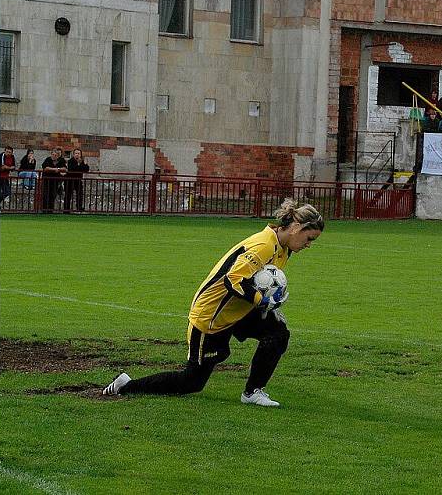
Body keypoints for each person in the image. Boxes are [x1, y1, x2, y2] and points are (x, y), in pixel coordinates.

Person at [102, 199, 325, 407]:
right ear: (296, 227)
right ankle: (126, 385)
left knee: (277, 334)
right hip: (211, 316)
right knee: (192, 382)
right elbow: (233, 280)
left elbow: (255, 282)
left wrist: (267, 305)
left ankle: (253, 392)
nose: (309, 245)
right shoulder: (264, 245)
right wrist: (263, 300)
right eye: (309, 239)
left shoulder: (283, 248)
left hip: (236, 310)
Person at [41, 148, 67, 212]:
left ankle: (50, 210)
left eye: (55, 155)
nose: (53, 156)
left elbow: (65, 169)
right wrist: (55, 169)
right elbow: (45, 168)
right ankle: (44, 210)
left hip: (55, 181)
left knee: (53, 195)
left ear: (57, 156)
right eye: (52, 154)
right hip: (46, 180)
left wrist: (58, 169)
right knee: (45, 195)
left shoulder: (61, 161)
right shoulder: (48, 159)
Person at [64, 148, 89, 212]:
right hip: (69, 180)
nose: (77, 155)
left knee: (79, 194)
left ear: (80, 155)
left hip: (78, 180)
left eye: (78, 153)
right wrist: (79, 165)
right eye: (76, 153)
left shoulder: (82, 161)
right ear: (73, 154)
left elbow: (86, 170)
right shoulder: (70, 161)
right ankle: (66, 209)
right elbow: (72, 169)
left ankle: (79, 207)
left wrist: (85, 164)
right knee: (68, 195)